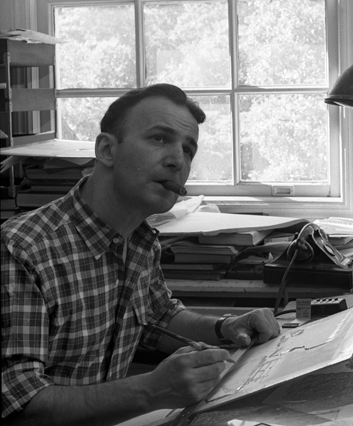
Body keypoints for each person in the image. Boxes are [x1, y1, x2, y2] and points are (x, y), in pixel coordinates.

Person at [1, 84, 281, 426]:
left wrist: (225, 327)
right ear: (107, 149)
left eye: (188, 150)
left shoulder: (140, 238)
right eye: (159, 139)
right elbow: (21, 406)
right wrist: (151, 391)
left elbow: (158, 318)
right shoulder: (21, 249)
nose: (178, 160)